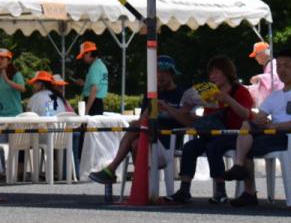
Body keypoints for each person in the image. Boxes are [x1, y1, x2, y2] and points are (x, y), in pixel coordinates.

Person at [222, 48, 291, 207]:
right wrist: (260, 119)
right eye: (278, 66)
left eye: (286, 66)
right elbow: (259, 114)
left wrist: (275, 125)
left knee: (245, 146)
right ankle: (240, 170)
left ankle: (248, 190)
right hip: (271, 134)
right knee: (246, 126)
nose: (282, 70)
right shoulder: (275, 95)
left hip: (288, 138)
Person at [166, 56, 255, 204]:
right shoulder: (210, 93)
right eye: (211, 73)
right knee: (189, 147)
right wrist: (183, 110)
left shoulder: (240, 91)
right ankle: (184, 189)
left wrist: (227, 99)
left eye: (216, 72)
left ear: (227, 72)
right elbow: (207, 119)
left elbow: (247, 114)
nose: (212, 77)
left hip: (234, 134)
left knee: (213, 146)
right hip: (212, 133)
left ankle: (220, 191)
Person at [88, 55, 188, 185]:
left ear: (172, 73)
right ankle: (142, 185)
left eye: (164, 72)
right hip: (150, 137)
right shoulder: (152, 93)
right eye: (157, 72)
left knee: (134, 129)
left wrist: (168, 109)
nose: (160, 76)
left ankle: (114, 170)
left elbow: (186, 120)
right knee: (135, 142)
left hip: (169, 141)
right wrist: (150, 110)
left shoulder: (182, 94)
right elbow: (143, 120)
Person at [247, 41, 283, 107]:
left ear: (262, 53)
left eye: (256, 55)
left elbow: (275, 78)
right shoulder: (269, 65)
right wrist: (249, 88)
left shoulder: (273, 63)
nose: (255, 58)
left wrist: (259, 77)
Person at [77, 41, 109, 115]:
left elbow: (94, 89)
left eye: (83, 56)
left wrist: (86, 110)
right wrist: (85, 84)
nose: (83, 58)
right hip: (98, 103)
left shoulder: (94, 67)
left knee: (88, 126)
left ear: (88, 53)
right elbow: (98, 85)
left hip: (93, 104)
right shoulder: (101, 65)